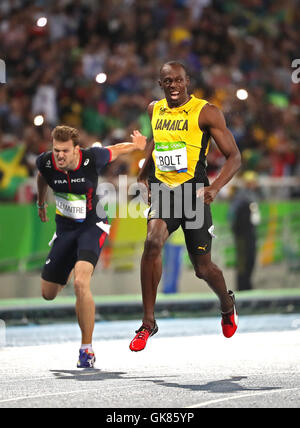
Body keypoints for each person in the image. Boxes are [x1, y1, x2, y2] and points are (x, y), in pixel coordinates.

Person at [129, 61, 241, 352]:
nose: (174, 86)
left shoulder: (206, 112)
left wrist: (214, 188)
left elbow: (234, 157)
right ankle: (148, 321)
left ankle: (227, 304)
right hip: (165, 192)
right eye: (168, 82)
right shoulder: (154, 109)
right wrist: (143, 175)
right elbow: (158, 141)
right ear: (160, 84)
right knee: (152, 242)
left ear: (187, 81)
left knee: (203, 268)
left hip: (193, 194)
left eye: (178, 81)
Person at [36, 125, 146, 368]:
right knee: (48, 293)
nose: (60, 156)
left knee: (80, 282)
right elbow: (42, 176)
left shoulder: (91, 158)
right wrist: (41, 202)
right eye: (56, 151)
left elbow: (116, 149)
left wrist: (136, 146)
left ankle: (86, 349)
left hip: (92, 226)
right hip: (65, 230)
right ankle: (64, 267)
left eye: (65, 151)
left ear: (76, 150)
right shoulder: (45, 162)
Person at [229, 170, 261, 291]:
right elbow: (232, 214)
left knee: (250, 260)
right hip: (242, 233)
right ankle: (243, 286)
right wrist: (236, 230)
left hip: (250, 232)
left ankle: (246, 285)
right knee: (243, 261)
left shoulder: (253, 195)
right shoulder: (242, 197)